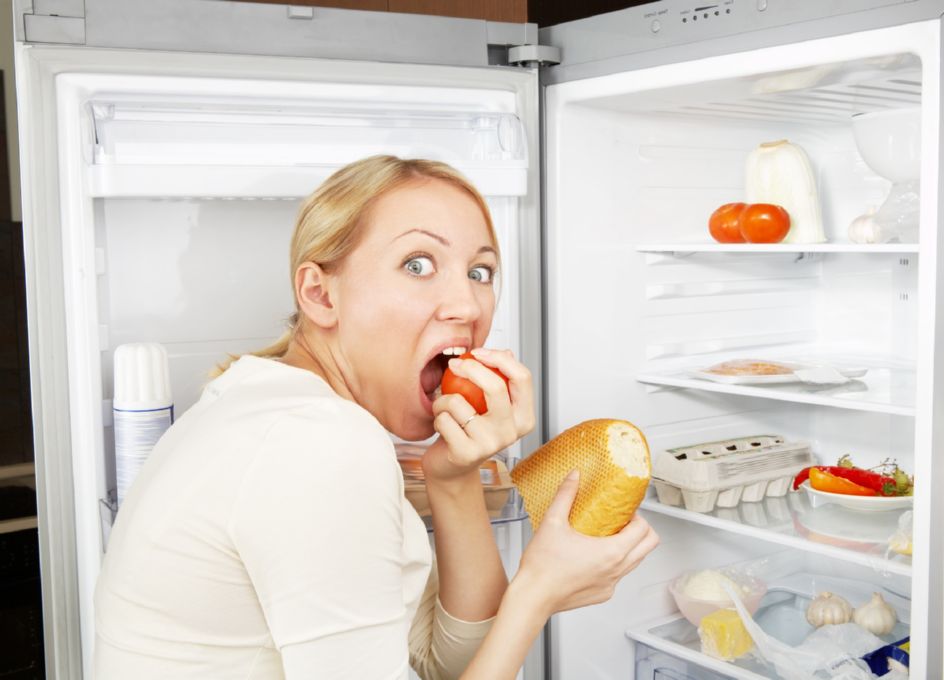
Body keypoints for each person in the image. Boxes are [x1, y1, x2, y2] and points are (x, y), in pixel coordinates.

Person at [94, 155, 659, 680]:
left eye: (481, 272)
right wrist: (537, 592)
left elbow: (447, 662)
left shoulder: (267, 400)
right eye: (418, 264)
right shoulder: (318, 443)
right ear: (320, 295)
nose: (467, 304)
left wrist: (453, 475)